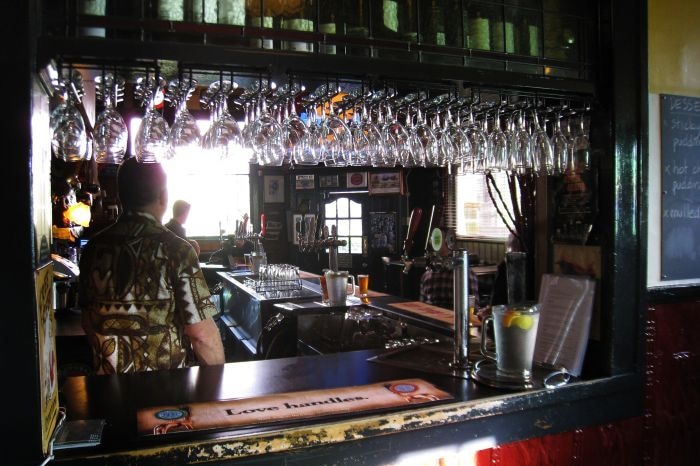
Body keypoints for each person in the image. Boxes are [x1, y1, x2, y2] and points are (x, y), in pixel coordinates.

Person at [78, 157, 225, 374]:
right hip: (167, 393)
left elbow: (88, 322)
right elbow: (202, 335)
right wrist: (219, 389)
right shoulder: (177, 251)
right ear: (164, 197)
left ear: (120, 196)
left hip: (108, 390)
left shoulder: (93, 249)